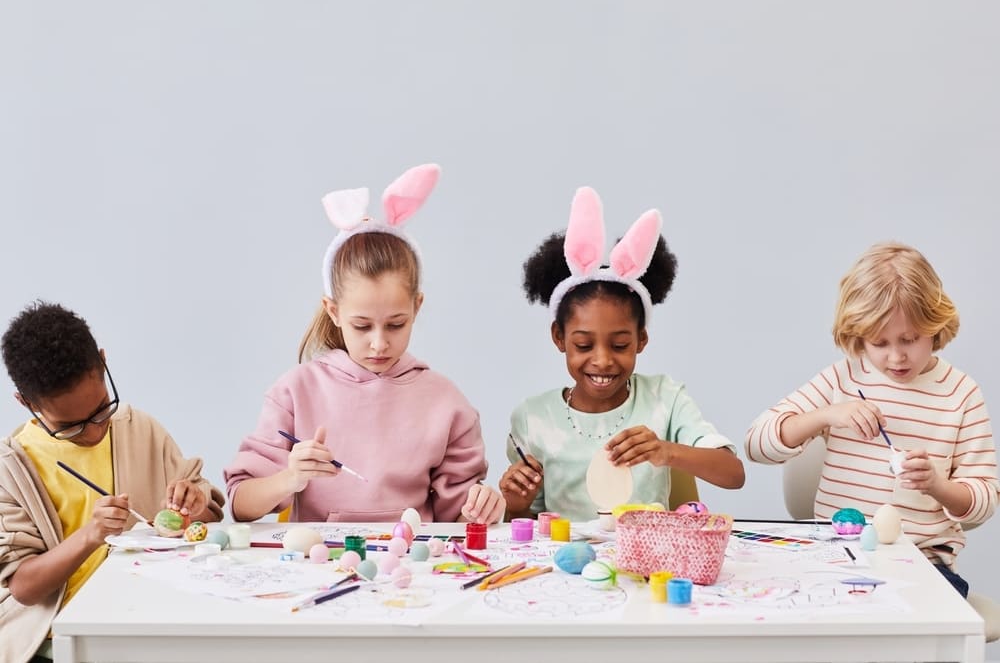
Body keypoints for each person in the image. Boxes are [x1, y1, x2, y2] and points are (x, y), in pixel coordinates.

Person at [224, 163, 505, 525]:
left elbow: (459, 516)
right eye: (361, 326)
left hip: (412, 567)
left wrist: (483, 506)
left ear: (417, 307)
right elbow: (239, 504)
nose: (378, 344)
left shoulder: (445, 402)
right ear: (334, 311)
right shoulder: (295, 391)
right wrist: (290, 479)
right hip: (321, 570)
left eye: (396, 324)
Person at [745, 242, 998, 596]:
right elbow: (757, 445)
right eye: (879, 343)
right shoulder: (843, 379)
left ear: (935, 325)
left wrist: (937, 485)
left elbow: (984, 502)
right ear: (858, 337)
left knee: (904, 633)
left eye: (909, 339)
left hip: (923, 566)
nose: (896, 357)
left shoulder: (961, 394)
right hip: (834, 559)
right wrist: (826, 416)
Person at [500, 187, 745, 522]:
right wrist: (515, 504)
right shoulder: (533, 418)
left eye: (619, 345)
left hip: (643, 562)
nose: (602, 360)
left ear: (641, 339)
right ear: (559, 337)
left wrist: (666, 451)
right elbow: (526, 522)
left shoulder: (664, 398)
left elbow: (733, 474)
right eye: (584, 345)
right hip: (565, 567)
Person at [0, 301, 224, 663]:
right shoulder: (12, 469)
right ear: (25, 403)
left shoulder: (140, 430)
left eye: (102, 408)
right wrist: (91, 535)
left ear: (103, 362)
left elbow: (209, 514)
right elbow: (23, 588)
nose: (94, 432)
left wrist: (195, 503)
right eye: (69, 426)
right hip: (58, 639)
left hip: (147, 618)